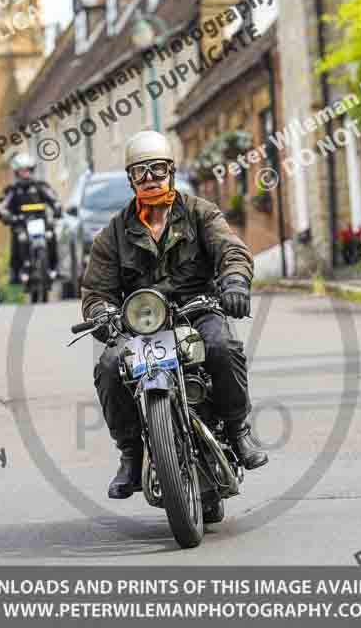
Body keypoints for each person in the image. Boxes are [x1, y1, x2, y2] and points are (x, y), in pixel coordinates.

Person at [81, 130, 268, 506]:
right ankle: (131, 456)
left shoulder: (201, 213)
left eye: (157, 169)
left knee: (222, 345)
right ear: (130, 178)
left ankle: (238, 429)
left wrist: (234, 283)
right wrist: (101, 314)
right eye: (140, 171)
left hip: (197, 312)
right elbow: (96, 291)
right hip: (142, 326)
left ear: (171, 170)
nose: (149, 178)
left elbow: (231, 249)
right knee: (110, 364)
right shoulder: (112, 235)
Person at [0, 153, 62, 284]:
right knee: (20, 238)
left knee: (50, 236)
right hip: (21, 222)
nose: (25, 174)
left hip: (41, 221)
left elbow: (54, 200)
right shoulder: (12, 190)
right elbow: (2, 207)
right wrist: (7, 216)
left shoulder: (40, 186)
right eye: (22, 171)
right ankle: (17, 270)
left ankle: (54, 267)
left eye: (27, 170)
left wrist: (57, 209)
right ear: (17, 172)